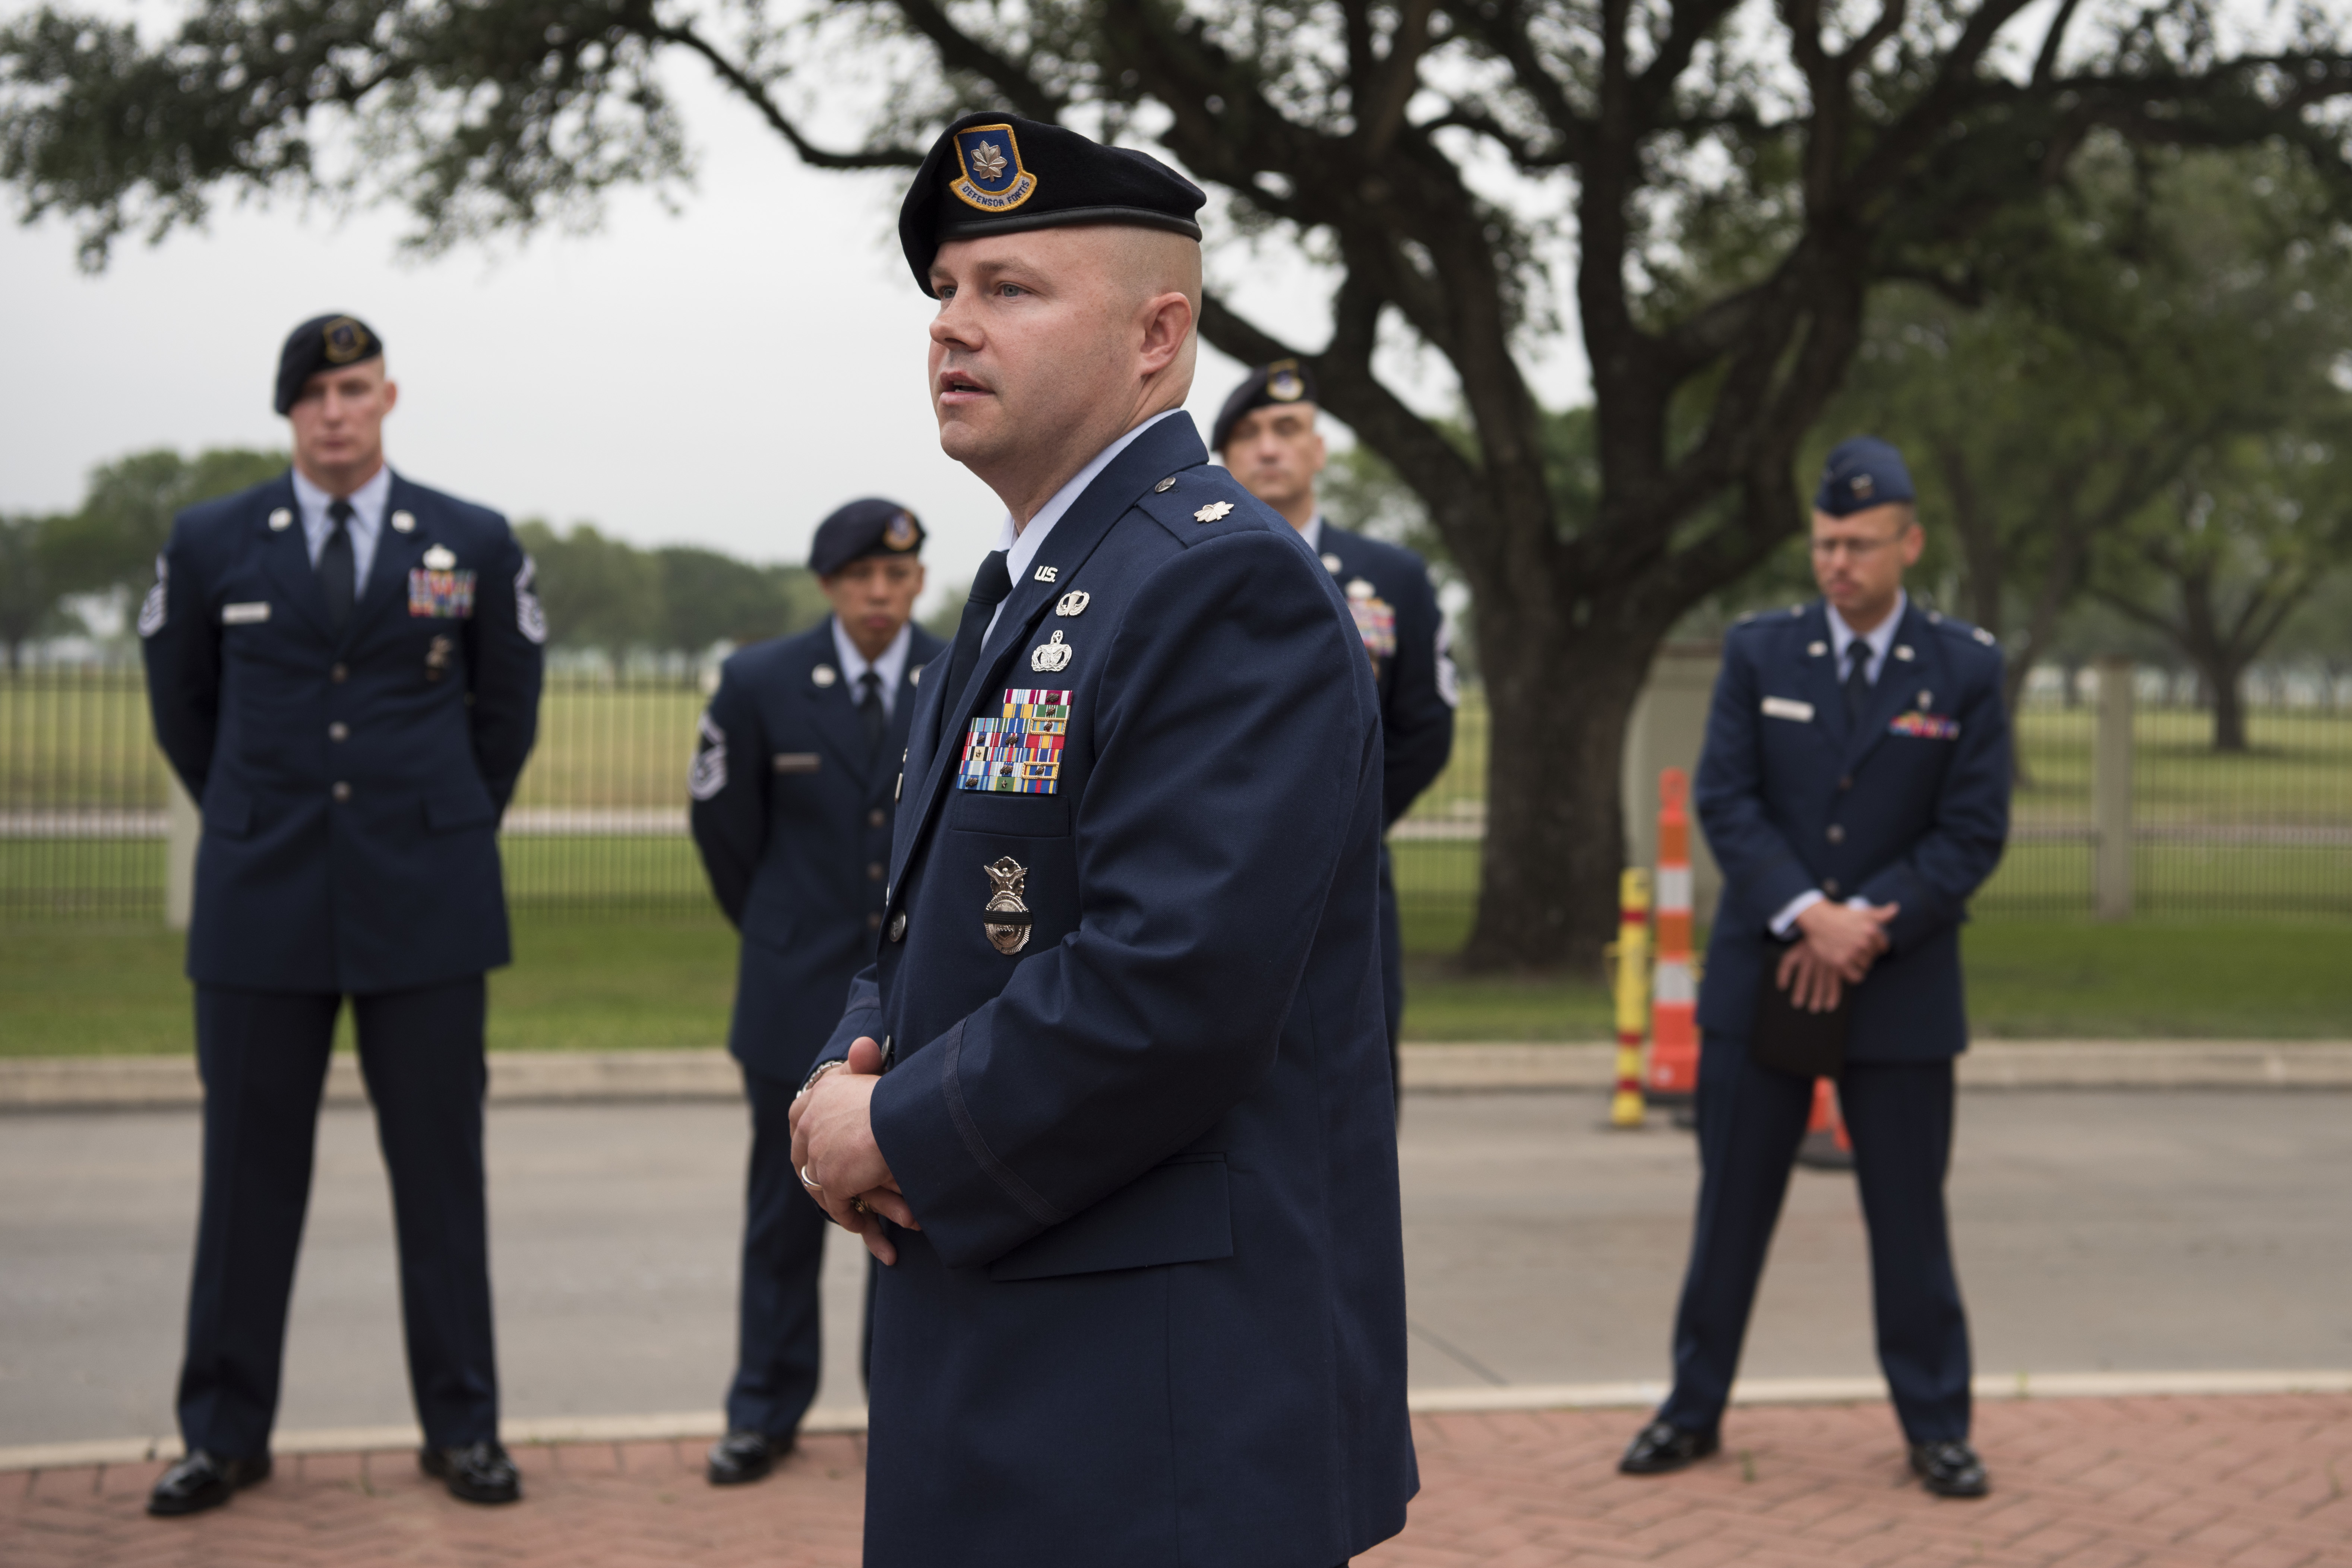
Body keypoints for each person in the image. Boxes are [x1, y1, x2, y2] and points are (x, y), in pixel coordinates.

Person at [784, 113, 1417, 1567]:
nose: (952, 326)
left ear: (1157, 334)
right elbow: (922, 908)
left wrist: (889, 1126)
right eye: (944, 289)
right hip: (1015, 1332)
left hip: (1156, 1402)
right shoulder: (1029, 580)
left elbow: (1167, 985)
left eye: (1011, 289)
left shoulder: (1217, 585)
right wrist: (853, 1056)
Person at [136, 314, 544, 1515]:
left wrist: (437, 820)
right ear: (289, 413)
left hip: (426, 900)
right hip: (262, 901)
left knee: (441, 1177)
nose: (335, 412)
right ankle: (223, 1435)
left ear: (388, 397)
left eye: (354, 388)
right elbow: (184, 710)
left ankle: (463, 1429)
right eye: (313, 394)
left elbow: (503, 715)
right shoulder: (211, 542)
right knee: (246, 1180)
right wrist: (263, 818)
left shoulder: (471, 541)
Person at [1618, 437, 2011, 1498]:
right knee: (1729, 1216)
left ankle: (1938, 1426)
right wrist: (1806, 914)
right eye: (1826, 542)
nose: (1838, 562)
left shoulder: (1966, 668)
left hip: (1901, 988)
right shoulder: (1761, 653)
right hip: (1767, 980)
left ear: (1910, 543)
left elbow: (1972, 834)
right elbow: (1727, 801)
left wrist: (1866, 925)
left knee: (1910, 1223)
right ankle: (1690, 1410)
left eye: (1860, 543)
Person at [686, 499, 945, 1486]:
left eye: (897, 577)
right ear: (829, 584)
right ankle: (764, 1408)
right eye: (859, 579)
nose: (879, 595)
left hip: (921, 1000)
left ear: (918, 580)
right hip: (794, 989)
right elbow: (724, 830)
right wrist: (780, 926)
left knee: (915, 1214)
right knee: (781, 1212)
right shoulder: (759, 681)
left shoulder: (961, 664)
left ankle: (907, 1413)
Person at [1214, 363, 1456, 1098]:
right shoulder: (1189, 570)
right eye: (1249, 434)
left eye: (1288, 430)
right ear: (1225, 459)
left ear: (1319, 449)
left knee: (1356, 1082)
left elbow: (1425, 725)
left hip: (1348, 886)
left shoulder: (1392, 578)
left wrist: (1345, 823)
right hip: (1217, 881)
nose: (1270, 448)